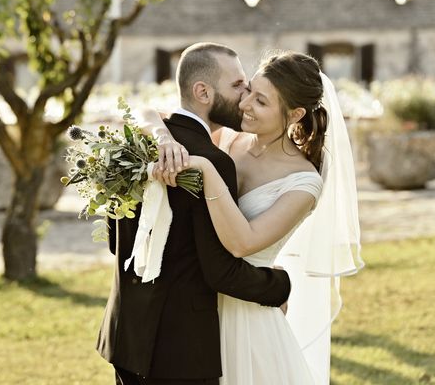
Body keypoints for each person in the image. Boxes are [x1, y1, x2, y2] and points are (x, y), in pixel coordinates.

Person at [148, 51, 363, 384]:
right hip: (198, 308)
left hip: (248, 318)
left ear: (295, 114)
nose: (245, 104)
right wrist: (161, 136)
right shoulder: (231, 139)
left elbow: (243, 242)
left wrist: (206, 169)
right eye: (248, 90)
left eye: (261, 101)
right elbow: (155, 115)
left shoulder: (304, 182)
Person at [96, 42, 293, 385]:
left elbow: (117, 242)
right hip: (180, 350)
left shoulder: (135, 144)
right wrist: (279, 284)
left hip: (126, 336)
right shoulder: (212, 163)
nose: (245, 96)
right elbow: (220, 271)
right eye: (237, 85)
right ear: (203, 91)